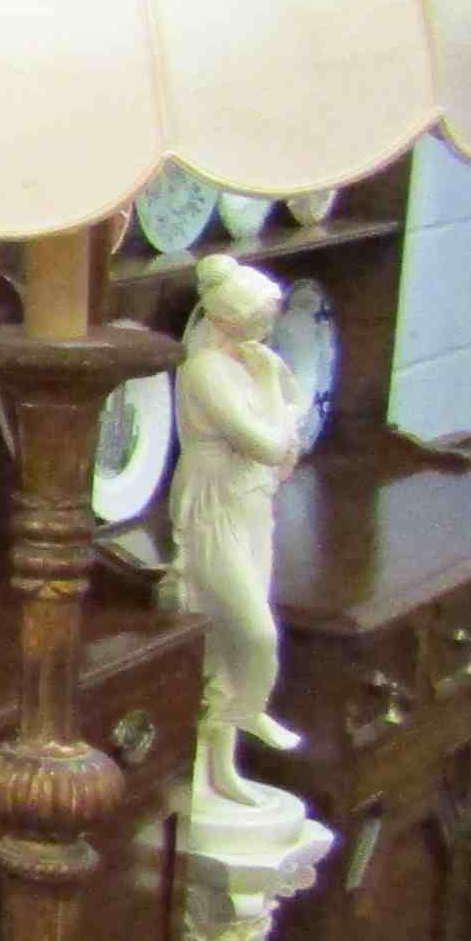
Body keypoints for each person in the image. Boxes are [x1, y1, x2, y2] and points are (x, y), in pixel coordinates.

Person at [170, 253, 311, 806]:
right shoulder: (205, 369)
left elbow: (290, 428)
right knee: (254, 632)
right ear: (228, 317)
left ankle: (221, 769)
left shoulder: (249, 362)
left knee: (227, 645)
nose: (266, 332)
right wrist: (273, 390)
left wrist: (275, 393)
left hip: (252, 501)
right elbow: (272, 442)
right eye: (258, 320)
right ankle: (249, 708)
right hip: (212, 504)